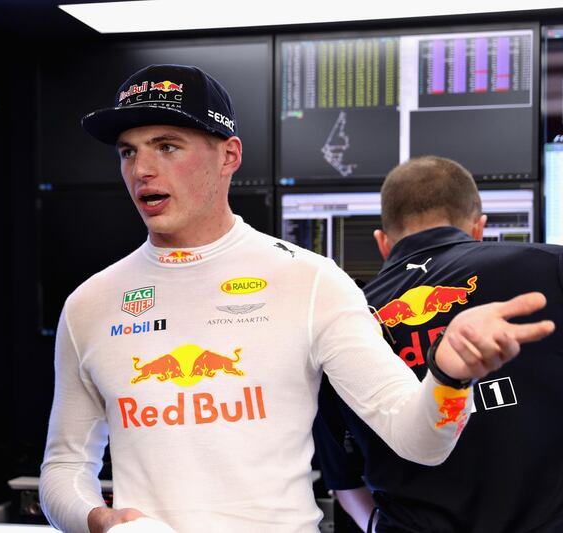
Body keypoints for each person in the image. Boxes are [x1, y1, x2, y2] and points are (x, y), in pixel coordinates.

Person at [38, 64, 553, 533]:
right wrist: (97, 521)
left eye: (166, 146)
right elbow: (63, 469)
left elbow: (421, 440)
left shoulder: (310, 282)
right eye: (129, 151)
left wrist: (448, 375)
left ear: (229, 156)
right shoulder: (90, 303)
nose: (141, 170)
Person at [312, 155, 563, 532]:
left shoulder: (344, 319)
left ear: (383, 243)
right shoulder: (551, 267)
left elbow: (344, 484)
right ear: (479, 228)